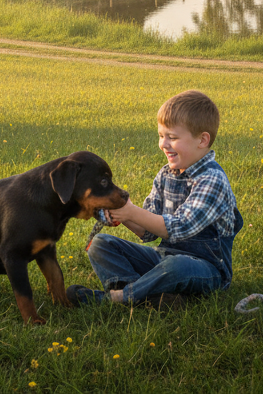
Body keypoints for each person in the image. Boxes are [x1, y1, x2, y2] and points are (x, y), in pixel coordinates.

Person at [69, 89, 243, 308]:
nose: (163, 144)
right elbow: (148, 231)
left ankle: (121, 297)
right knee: (100, 244)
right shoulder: (166, 174)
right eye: (161, 136)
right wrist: (122, 214)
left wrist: (132, 212)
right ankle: (149, 297)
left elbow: (178, 228)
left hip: (206, 270)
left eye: (173, 137)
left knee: (177, 266)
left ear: (202, 140)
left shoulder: (212, 180)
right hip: (163, 258)